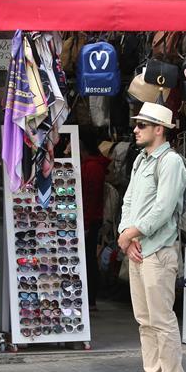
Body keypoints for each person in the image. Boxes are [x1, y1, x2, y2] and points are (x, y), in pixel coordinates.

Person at [118, 102, 186, 372]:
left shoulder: (170, 162)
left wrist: (132, 233)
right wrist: (125, 235)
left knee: (161, 319)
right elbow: (129, 200)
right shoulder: (140, 161)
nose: (135, 130)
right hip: (139, 249)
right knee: (144, 319)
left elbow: (164, 207)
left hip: (158, 251)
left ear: (159, 129)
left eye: (142, 125)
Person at [79, 130, 110, 311]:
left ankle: (90, 299)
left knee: (89, 258)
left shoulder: (91, 167)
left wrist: (86, 222)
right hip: (91, 217)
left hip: (90, 218)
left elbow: (90, 196)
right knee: (89, 257)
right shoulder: (92, 165)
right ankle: (89, 298)